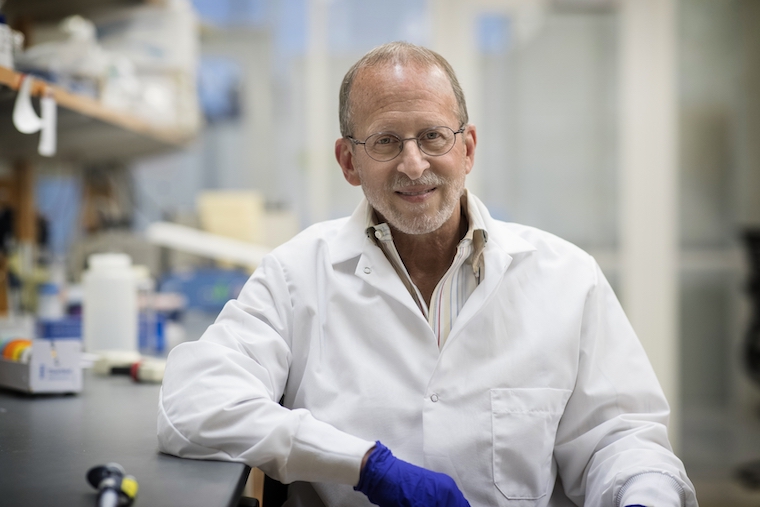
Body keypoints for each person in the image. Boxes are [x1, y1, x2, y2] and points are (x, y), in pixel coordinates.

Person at [158, 41, 698, 507]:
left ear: (467, 148)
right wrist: (363, 464)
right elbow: (193, 406)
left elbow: (620, 437)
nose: (414, 165)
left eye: (434, 137)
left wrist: (642, 493)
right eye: (386, 141)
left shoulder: (567, 279)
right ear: (349, 162)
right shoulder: (296, 275)